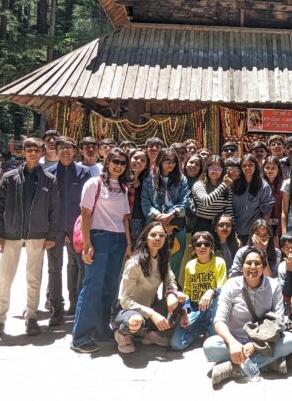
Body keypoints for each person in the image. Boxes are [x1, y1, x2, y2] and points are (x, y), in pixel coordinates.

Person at [0, 138, 61, 342]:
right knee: (5, 277)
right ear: (23, 152)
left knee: (34, 278)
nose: (33, 153)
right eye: (29, 150)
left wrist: (51, 235)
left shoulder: (49, 179)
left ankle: (32, 317)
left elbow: (54, 210)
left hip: (38, 233)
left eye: (37, 150)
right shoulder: (9, 178)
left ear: (42, 153)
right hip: (11, 233)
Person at [205, 247, 292, 386]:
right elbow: (219, 320)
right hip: (236, 339)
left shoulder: (274, 286)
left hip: (265, 340)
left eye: (257, 263)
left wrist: (255, 344)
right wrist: (232, 343)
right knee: (209, 347)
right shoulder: (230, 285)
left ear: (263, 266)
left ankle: (234, 369)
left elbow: (279, 321)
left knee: (289, 341)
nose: (253, 267)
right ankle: (267, 364)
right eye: (248, 263)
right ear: (242, 266)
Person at [71, 149, 134, 350]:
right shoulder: (94, 183)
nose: (118, 165)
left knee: (110, 287)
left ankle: (101, 328)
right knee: (92, 286)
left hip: (118, 239)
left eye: (122, 163)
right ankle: (80, 337)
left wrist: (128, 244)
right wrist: (87, 244)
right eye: (115, 161)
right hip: (99, 237)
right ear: (107, 162)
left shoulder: (123, 188)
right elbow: (85, 213)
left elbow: (124, 218)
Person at [111, 222, 180, 355]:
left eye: (161, 235)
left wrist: (171, 293)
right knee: (136, 320)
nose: (157, 238)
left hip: (149, 308)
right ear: (145, 238)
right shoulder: (133, 263)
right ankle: (122, 334)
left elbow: (170, 280)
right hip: (129, 311)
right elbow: (125, 301)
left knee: (179, 298)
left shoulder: (163, 259)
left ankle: (148, 333)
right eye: (153, 235)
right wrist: (152, 314)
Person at [50, 136, 93, 321]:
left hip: (78, 227)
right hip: (55, 226)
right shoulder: (50, 173)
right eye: (61, 147)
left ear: (75, 151)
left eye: (69, 147)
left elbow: (89, 202)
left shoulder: (84, 173)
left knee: (81, 266)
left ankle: (77, 303)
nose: (65, 151)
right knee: (54, 268)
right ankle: (56, 306)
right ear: (56, 151)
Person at [170, 231, 228, 350]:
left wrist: (210, 291)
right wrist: (184, 313)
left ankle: (211, 329)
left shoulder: (219, 262)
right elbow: (187, 292)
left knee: (218, 297)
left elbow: (223, 289)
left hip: (212, 308)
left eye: (206, 244)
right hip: (195, 308)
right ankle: (201, 327)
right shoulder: (190, 265)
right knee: (176, 344)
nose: (202, 247)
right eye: (198, 244)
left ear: (211, 247)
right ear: (193, 248)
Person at [141, 147, 190, 282]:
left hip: (176, 225)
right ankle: (154, 291)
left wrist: (171, 215)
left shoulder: (181, 179)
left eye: (173, 161)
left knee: (174, 261)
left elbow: (185, 200)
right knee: (154, 259)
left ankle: (170, 289)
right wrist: (159, 216)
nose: (171, 164)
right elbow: (145, 202)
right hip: (155, 225)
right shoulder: (149, 179)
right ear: (160, 161)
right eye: (167, 160)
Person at [230, 154, 274, 247]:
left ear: (255, 166)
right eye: (244, 165)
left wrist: (263, 232)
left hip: (254, 232)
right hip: (234, 231)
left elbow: (266, 211)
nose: (247, 168)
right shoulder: (234, 184)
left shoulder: (263, 185)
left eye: (250, 165)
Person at [189, 155, 233, 239]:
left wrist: (233, 231)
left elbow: (229, 211)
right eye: (211, 168)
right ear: (206, 169)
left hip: (219, 225)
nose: (214, 171)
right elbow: (207, 202)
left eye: (218, 169)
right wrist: (223, 185)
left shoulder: (227, 188)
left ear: (223, 171)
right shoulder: (199, 185)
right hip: (201, 224)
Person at [261, 155, 283, 238]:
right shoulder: (259, 185)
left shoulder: (283, 185)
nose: (270, 171)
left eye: (273, 168)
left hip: (279, 222)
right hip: (262, 223)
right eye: (267, 168)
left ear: (278, 170)